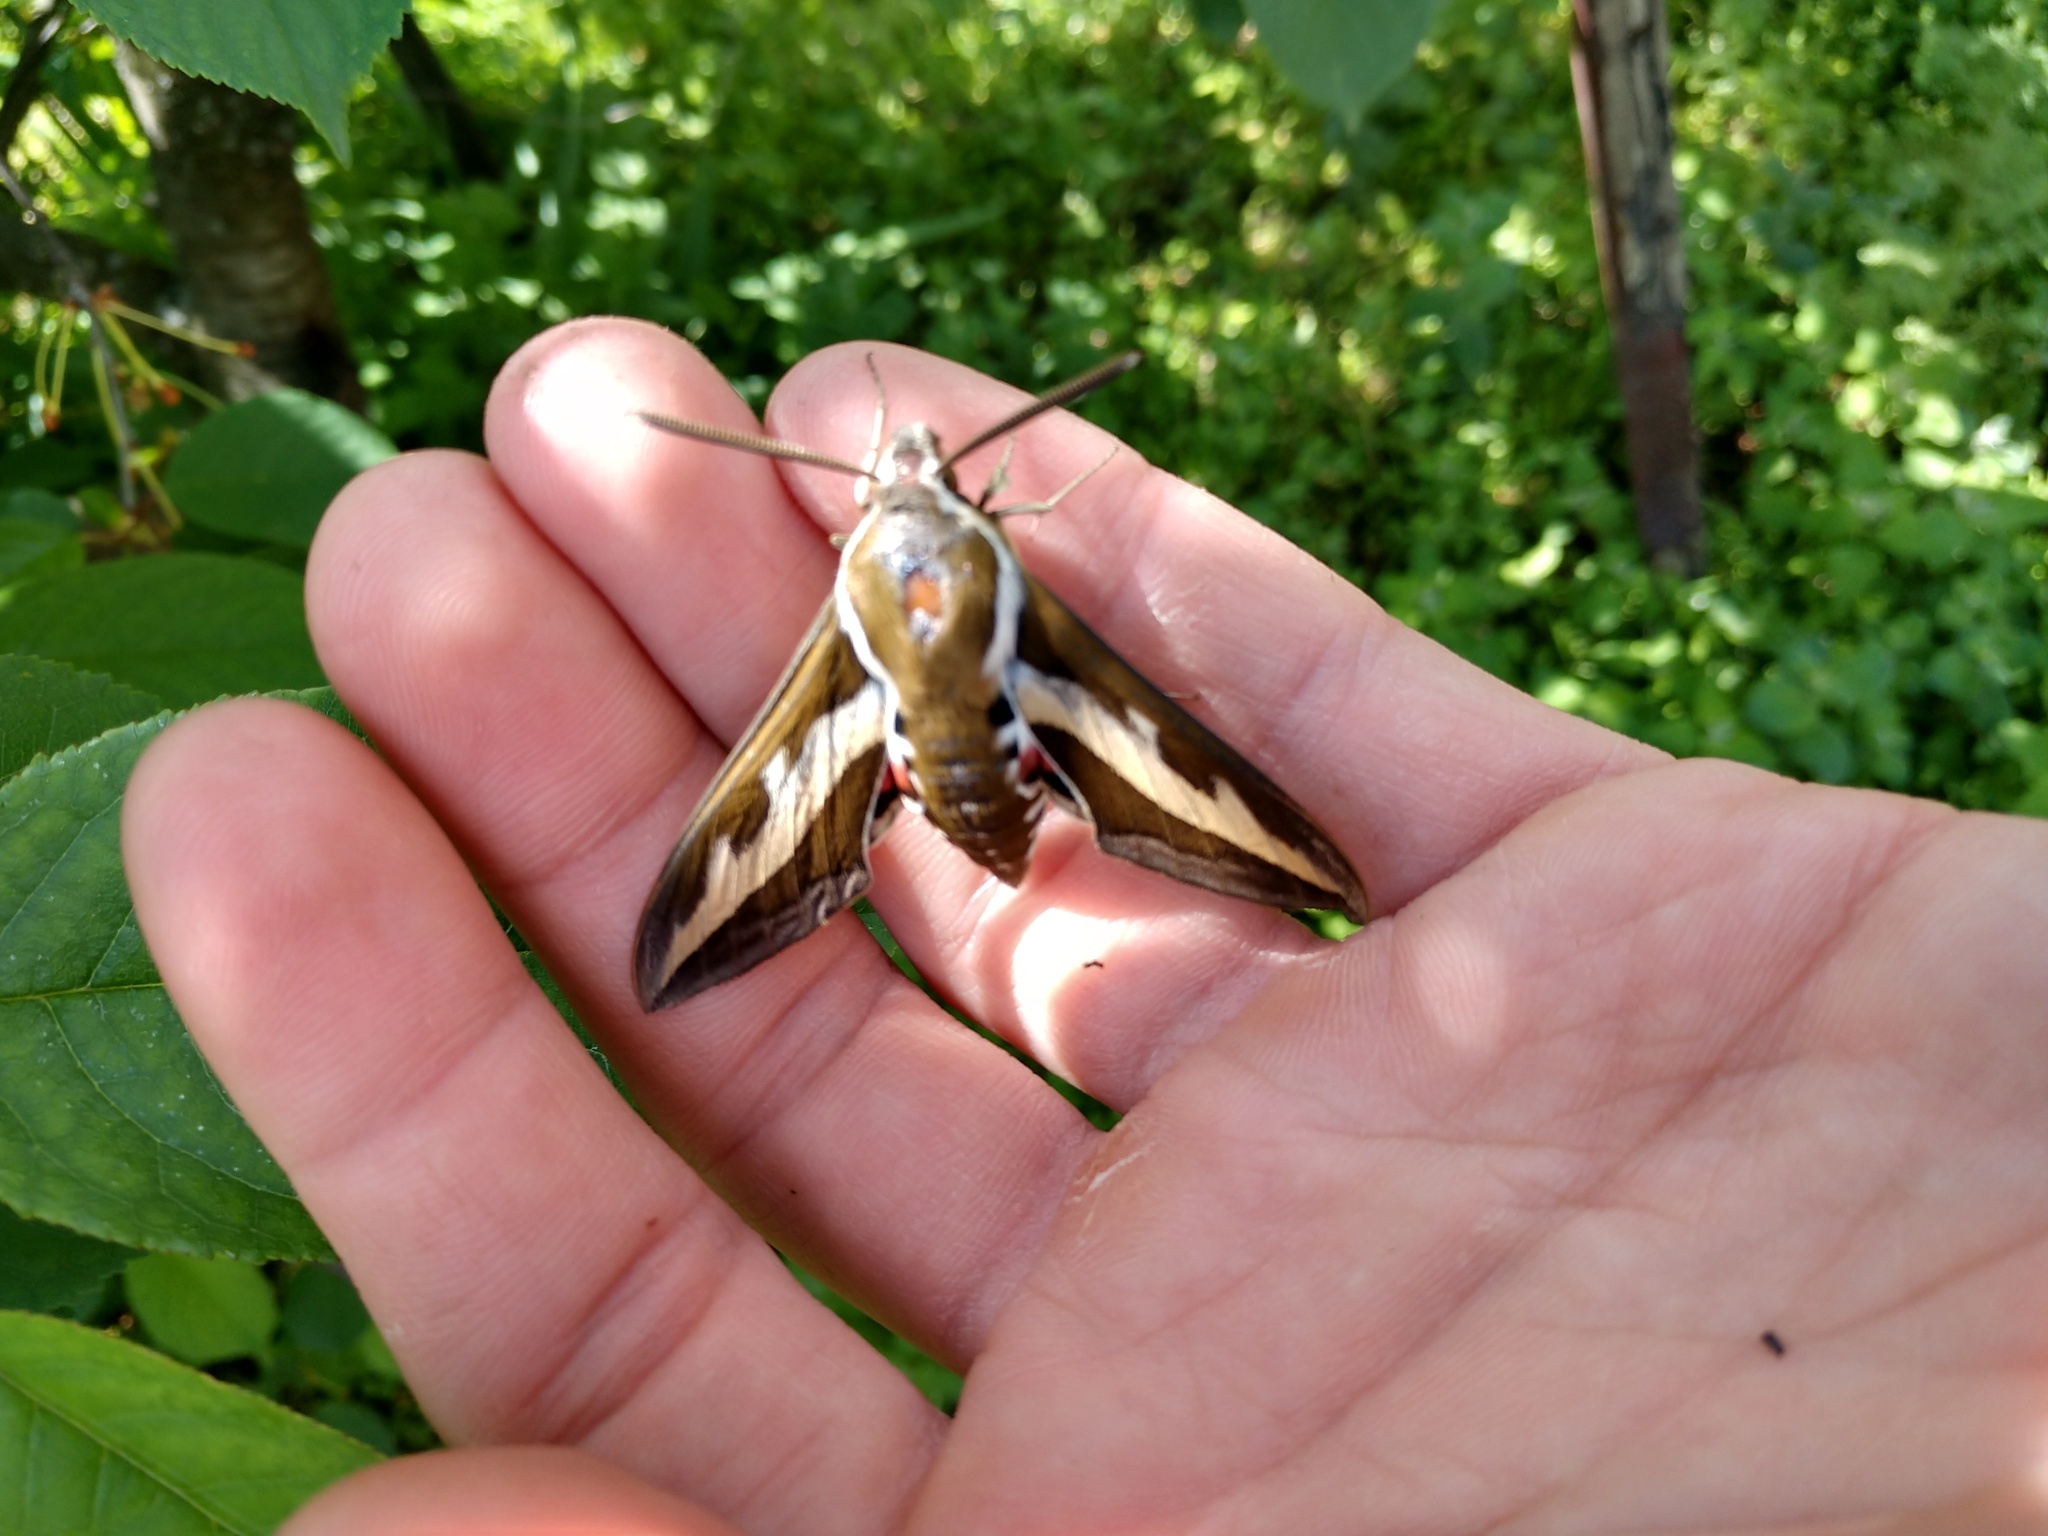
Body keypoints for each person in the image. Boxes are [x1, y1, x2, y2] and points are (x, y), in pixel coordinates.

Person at [122, 323, 2048, 1536]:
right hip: (1027, 745)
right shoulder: (996, 543)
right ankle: (1107, 812)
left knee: (748, 848)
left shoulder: (853, 588)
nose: (916, 496)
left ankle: (955, 811)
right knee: (1128, 759)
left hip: (887, 746)